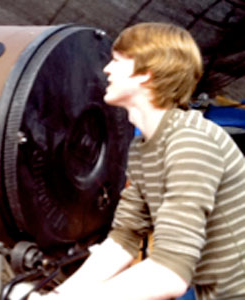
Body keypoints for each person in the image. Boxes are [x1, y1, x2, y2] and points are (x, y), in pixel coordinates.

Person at [28, 22, 245, 300]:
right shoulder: (143, 149)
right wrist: (56, 295)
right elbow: (124, 239)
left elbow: (169, 274)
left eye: (117, 61)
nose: (107, 69)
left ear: (146, 75)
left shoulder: (190, 143)